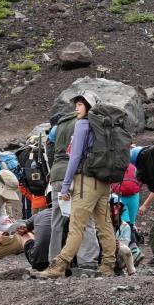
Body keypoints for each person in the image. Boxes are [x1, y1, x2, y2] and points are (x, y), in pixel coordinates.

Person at [39, 92, 118, 278]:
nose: (76, 108)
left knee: (76, 226)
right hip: (104, 182)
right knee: (105, 225)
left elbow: (74, 157)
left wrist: (66, 186)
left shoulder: (82, 125)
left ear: (89, 106)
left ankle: (59, 266)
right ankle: (108, 266)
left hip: (86, 182)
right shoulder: (105, 126)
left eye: (80, 104)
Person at [47, 100, 100, 271]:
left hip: (56, 174)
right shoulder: (84, 122)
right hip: (76, 174)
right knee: (84, 219)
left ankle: (54, 260)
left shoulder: (58, 126)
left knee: (57, 220)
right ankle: (87, 261)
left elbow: (50, 150)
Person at [22, 207, 54, 271]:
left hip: (39, 263)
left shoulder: (40, 214)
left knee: (24, 233)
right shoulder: (68, 213)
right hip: (62, 260)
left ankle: (33, 251)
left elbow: (22, 228)